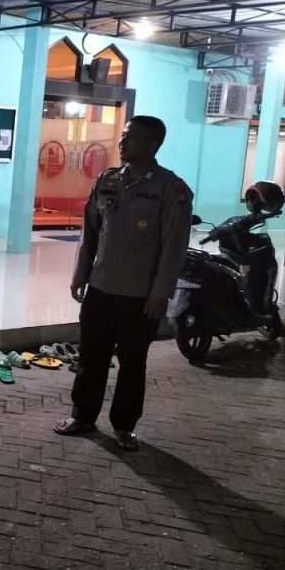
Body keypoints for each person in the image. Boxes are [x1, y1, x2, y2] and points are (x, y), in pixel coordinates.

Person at [54, 115, 192, 450]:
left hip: (139, 296)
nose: (122, 141)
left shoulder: (170, 189)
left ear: (152, 145)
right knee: (91, 357)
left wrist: (160, 294)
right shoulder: (108, 180)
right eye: (123, 135)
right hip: (101, 289)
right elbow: (90, 232)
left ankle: (125, 426)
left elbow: (174, 247)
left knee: (132, 363)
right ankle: (82, 416)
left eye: (130, 137)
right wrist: (80, 274)